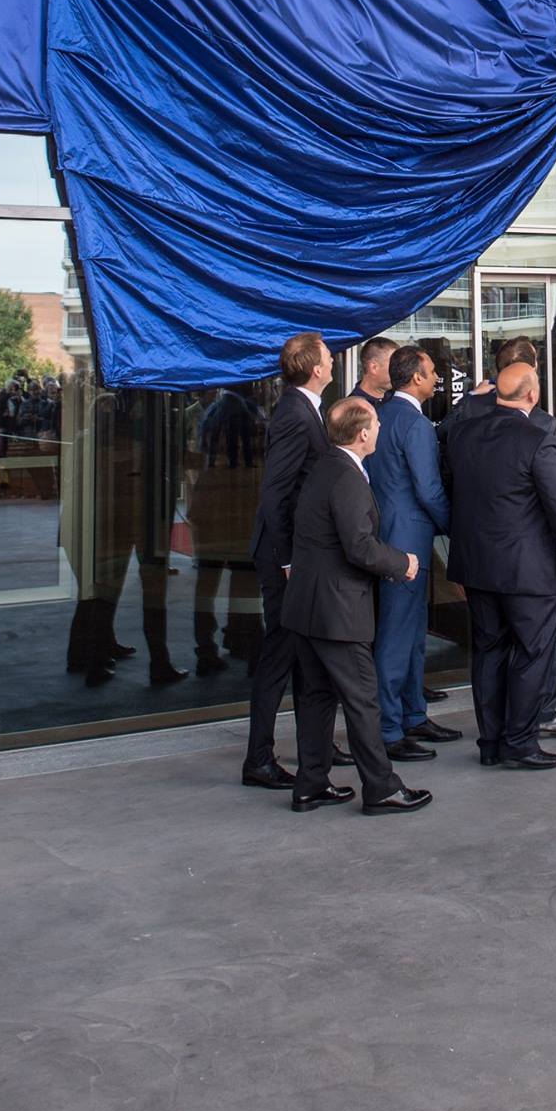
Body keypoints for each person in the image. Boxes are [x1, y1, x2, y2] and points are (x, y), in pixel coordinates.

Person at [282, 397, 431, 814]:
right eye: (376, 423)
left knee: (316, 697)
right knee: (363, 700)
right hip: (338, 611)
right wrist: (403, 563)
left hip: (307, 607)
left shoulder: (325, 467)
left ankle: (311, 784)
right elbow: (359, 547)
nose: (380, 428)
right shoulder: (347, 478)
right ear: (363, 434)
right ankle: (381, 788)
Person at [447, 362, 556, 769]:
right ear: (533, 394)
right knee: (534, 651)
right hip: (526, 568)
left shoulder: (463, 434)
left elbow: (454, 490)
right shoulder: (537, 438)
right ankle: (520, 742)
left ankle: (491, 743)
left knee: (489, 651)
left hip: (476, 565)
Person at [241, 331, 335, 790]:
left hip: (296, 555)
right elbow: (275, 493)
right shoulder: (296, 415)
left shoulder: (304, 408)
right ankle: (258, 759)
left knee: (301, 656)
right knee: (279, 657)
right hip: (285, 559)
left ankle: (314, 747)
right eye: (329, 356)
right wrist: (286, 561)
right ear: (315, 369)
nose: (334, 361)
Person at [370, 344, 456, 760]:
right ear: (417, 377)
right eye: (433, 371)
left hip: (386, 534)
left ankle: (413, 714)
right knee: (397, 636)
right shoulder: (416, 425)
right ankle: (389, 730)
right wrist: (456, 527)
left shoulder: (379, 415)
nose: (438, 377)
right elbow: (429, 490)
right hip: (407, 542)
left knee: (411, 632)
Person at [350, 335, 396, 413]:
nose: (399, 369)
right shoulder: (353, 409)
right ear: (373, 367)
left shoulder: (398, 399)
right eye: (394, 364)